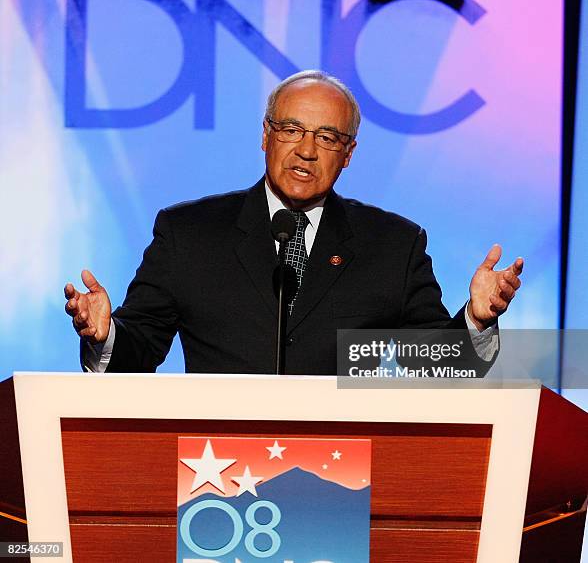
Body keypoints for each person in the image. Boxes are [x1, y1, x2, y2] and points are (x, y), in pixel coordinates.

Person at [64, 70, 523, 375]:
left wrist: (476, 323)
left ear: (348, 154)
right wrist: (105, 337)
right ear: (266, 136)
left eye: (327, 137)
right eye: (291, 130)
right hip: (215, 469)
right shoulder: (189, 233)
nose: (306, 149)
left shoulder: (393, 245)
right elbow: (140, 346)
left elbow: (436, 365)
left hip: (340, 473)